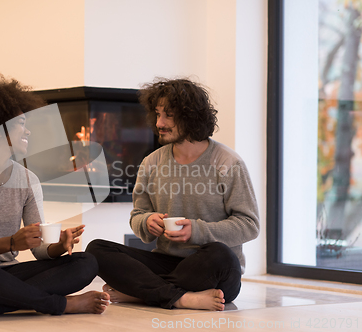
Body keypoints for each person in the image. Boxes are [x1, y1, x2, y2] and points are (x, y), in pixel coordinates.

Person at [0, 77, 109, 320]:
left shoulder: (28, 180)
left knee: (86, 262)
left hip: (7, 275)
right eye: (21, 123)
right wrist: (12, 243)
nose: (28, 131)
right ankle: (62, 305)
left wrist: (58, 246)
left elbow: (39, 249)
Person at [86, 78, 259, 311]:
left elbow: (249, 225)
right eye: (157, 114)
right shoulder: (151, 162)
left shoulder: (228, 163)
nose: (159, 123)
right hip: (168, 263)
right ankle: (180, 297)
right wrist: (147, 222)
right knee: (97, 249)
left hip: (212, 267)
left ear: (191, 116)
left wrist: (196, 231)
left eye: (168, 115)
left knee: (221, 254)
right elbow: (137, 215)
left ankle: (141, 293)